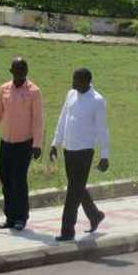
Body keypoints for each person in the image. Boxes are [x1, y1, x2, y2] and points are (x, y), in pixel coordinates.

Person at [0, 56, 44, 231]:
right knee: (6, 180)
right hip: (6, 143)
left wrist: (37, 144)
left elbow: (38, 120)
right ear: (11, 71)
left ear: (26, 72)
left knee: (19, 180)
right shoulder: (4, 89)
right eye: (17, 70)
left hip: (24, 143)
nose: (20, 73)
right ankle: (9, 217)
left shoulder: (34, 91)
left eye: (23, 70)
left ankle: (21, 217)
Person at [49, 68, 109, 241]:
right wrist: (55, 143)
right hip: (69, 149)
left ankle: (67, 231)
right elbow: (62, 119)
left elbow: (102, 129)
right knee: (77, 187)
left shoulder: (97, 100)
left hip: (84, 151)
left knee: (73, 191)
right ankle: (95, 215)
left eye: (76, 80)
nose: (72, 83)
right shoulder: (71, 95)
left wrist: (104, 155)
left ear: (87, 81)